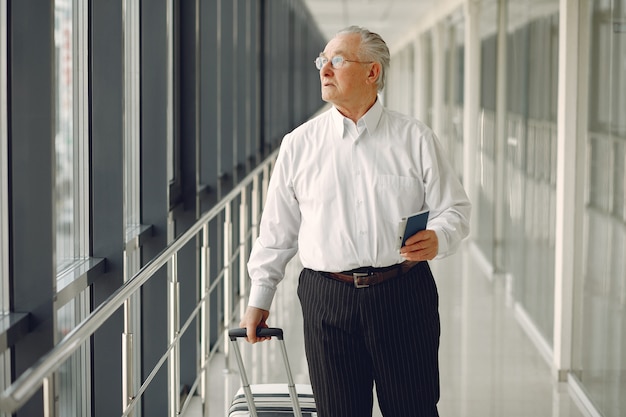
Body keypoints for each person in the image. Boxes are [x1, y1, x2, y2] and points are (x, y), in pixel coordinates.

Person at [240, 25, 471, 417]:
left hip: (403, 294)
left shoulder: (415, 138)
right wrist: (260, 296)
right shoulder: (298, 145)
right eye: (322, 60)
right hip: (326, 300)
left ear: (372, 72)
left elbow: (456, 210)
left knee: (414, 409)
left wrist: (440, 237)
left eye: (337, 60)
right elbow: (277, 231)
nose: (324, 69)